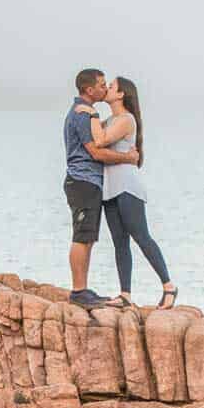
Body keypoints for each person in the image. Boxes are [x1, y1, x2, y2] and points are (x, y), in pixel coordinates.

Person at [77, 76, 177, 310]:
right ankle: (125, 294)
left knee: (141, 237)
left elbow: (99, 141)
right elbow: (93, 138)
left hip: (127, 187)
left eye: (111, 86)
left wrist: (89, 113)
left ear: (121, 94)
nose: (108, 89)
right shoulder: (111, 119)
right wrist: (90, 113)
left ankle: (169, 286)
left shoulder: (125, 120)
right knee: (120, 242)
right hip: (110, 189)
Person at [63, 68, 140, 307]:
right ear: (89, 90)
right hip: (83, 181)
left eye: (107, 84)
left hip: (88, 182)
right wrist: (128, 158)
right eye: (101, 84)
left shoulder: (90, 114)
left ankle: (82, 289)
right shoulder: (83, 115)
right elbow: (96, 151)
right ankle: (78, 292)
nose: (105, 88)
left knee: (87, 237)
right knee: (81, 236)